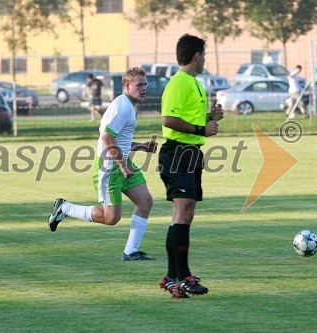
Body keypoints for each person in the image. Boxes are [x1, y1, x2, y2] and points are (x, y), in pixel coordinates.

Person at [49, 67, 158, 261]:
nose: (143, 88)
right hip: (109, 167)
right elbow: (107, 138)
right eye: (139, 85)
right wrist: (123, 165)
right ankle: (65, 208)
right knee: (111, 218)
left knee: (146, 201)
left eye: (145, 84)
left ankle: (131, 251)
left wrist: (142, 147)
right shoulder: (122, 106)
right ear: (127, 86)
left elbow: (119, 141)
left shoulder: (129, 105)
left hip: (122, 163)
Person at [158, 34, 224, 298]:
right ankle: (183, 277)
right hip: (177, 153)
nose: (205, 59)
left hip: (190, 153)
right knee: (182, 213)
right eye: (204, 54)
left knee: (183, 215)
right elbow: (168, 120)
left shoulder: (193, 82)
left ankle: (173, 276)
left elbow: (186, 118)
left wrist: (209, 118)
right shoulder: (179, 82)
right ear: (196, 55)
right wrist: (202, 128)